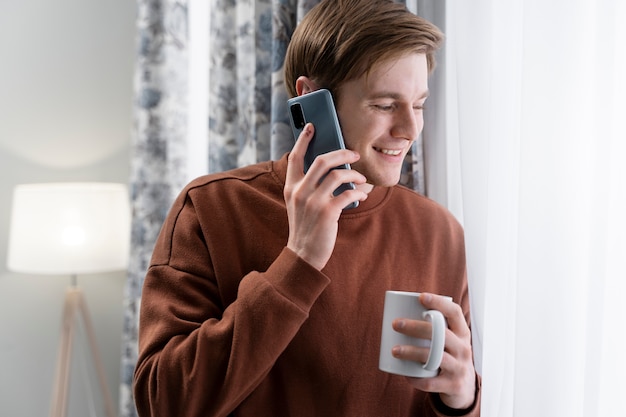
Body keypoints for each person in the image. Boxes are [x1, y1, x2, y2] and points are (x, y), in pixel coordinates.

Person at [133, 0, 481, 415]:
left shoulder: (437, 231)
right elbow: (163, 403)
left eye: (418, 104)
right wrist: (298, 260)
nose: (409, 130)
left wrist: (460, 400)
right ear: (313, 99)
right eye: (386, 105)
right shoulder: (211, 208)